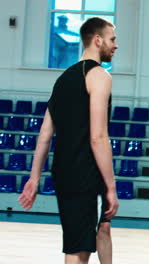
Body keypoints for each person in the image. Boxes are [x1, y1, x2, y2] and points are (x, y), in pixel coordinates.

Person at [18, 17, 119, 264]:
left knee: (78, 244)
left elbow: (44, 134)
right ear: (97, 40)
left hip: (63, 172)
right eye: (112, 39)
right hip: (85, 172)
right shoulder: (99, 76)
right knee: (77, 251)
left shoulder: (63, 79)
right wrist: (111, 186)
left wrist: (34, 177)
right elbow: (98, 137)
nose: (116, 45)